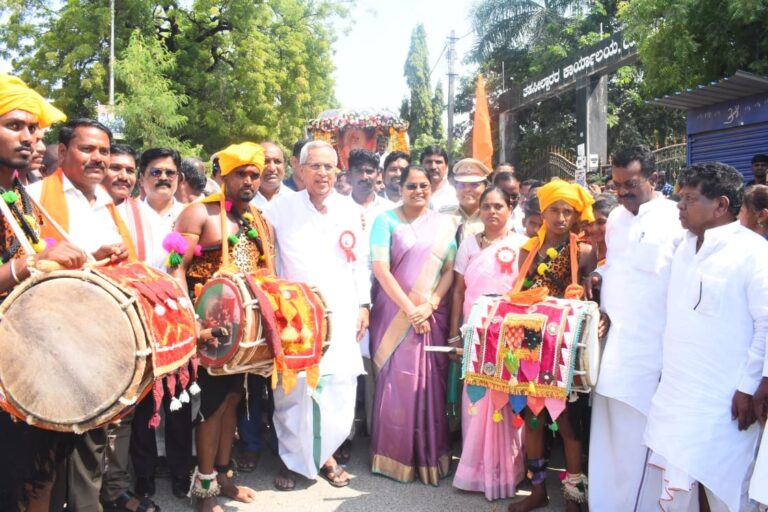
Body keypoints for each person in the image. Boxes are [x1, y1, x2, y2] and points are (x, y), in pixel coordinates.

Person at [643, 162, 768, 512]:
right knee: (684, 483)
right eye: (680, 197)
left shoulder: (753, 252)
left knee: (728, 489)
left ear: (721, 205)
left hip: (726, 398)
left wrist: (750, 386)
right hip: (680, 393)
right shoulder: (684, 247)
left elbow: (766, 324)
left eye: (689, 199)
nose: (680, 206)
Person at [27, 117, 131, 512]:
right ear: (64, 151)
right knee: (45, 458)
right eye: (88, 149)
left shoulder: (108, 204)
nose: (98, 159)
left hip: (97, 346)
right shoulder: (35, 197)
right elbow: (37, 265)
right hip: (48, 349)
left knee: (90, 449)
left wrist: (111, 259)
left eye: (104, 151)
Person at [169, 141, 274, 512]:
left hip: (245, 334)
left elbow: (266, 273)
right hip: (208, 331)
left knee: (235, 401)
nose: (249, 180)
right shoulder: (198, 214)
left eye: (254, 174)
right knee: (210, 408)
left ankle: (225, 475)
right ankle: (204, 490)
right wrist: (192, 322)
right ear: (221, 176)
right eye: (240, 174)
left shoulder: (259, 219)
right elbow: (175, 269)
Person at [0, 72, 88, 512]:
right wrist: (26, 266)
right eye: (15, 125)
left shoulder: (16, 191)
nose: (29, 137)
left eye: (33, 128)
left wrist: (76, 254)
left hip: (31, 354)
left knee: (40, 473)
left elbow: (32, 247)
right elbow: (23, 260)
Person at [265, 140, 369, 490]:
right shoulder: (280, 208)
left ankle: (325, 455)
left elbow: (360, 264)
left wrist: (364, 305)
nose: (322, 173)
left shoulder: (349, 209)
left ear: (337, 171)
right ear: (300, 170)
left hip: (341, 310)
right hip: (296, 315)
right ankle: (294, 461)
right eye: (315, 166)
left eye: (328, 166)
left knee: (339, 385)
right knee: (294, 392)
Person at [586, 146, 684, 511]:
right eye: (616, 185)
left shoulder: (676, 219)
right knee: (610, 442)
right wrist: (600, 274)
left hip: (652, 355)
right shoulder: (615, 220)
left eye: (630, 184)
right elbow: (617, 265)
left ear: (654, 179)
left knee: (643, 445)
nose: (622, 192)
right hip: (613, 349)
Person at [508, 180, 596, 512]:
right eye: (554, 210)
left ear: (575, 215)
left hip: (567, 349)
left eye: (567, 211)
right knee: (534, 421)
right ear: (541, 212)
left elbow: (591, 304)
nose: (561, 218)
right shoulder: (527, 250)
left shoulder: (585, 251)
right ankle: (537, 491)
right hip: (532, 345)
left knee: (570, 426)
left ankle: (573, 496)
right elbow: (521, 295)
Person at [369, 164, 458, 485]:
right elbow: (381, 269)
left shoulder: (445, 225)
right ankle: (395, 456)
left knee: (429, 383)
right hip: (394, 314)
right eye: (411, 186)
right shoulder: (385, 221)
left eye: (424, 185)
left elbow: (450, 269)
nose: (418, 191)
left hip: (430, 314)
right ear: (399, 188)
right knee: (397, 385)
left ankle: (431, 456)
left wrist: (430, 304)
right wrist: (410, 309)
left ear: (432, 188)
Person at [449, 186, 528, 500]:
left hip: (511, 336)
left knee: (509, 402)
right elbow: (458, 290)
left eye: (499, 206)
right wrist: (455, 333)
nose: (492, 212)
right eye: (486, 207)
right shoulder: (468, 244)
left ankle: (508, 470)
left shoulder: (522, 244)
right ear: (479, 210)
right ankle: (474, 471)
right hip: (475, 334)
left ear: (510, 208)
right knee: (476, 401)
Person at [130, 147, 194, 501]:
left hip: (179, 316)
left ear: (179, 179)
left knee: (179, 398)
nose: (164, 179)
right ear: (142, 178)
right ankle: (144, 475)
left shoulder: (188, 216)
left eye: (170, 173)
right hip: (140, 318)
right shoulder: (127, 213)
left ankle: (182, 471)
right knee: (143, 401)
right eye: (155, 172)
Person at [439, 158, 490, 243]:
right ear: (455, 187)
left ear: (486, 187)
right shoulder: (443, 216)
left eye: (474, 184)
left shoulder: (493, 217)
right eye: (462, 185)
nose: (467, 189)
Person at [251, 141, 294, 210]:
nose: (272, 168)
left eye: (277, 162)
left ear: (284, 166)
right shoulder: (242, 201)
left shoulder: (295, 201)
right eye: (265, 161)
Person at [585, 193, 618, 267]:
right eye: (589, 224)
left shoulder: (624, 253)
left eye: (601, 222)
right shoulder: (585, 250)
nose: (594, 229)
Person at [421, 145, 456, 210]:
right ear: (421, 166)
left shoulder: (456, 196)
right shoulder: (413, 194)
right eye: (429, 162)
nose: (433, 167)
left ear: (446, 167)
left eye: (438, 162)